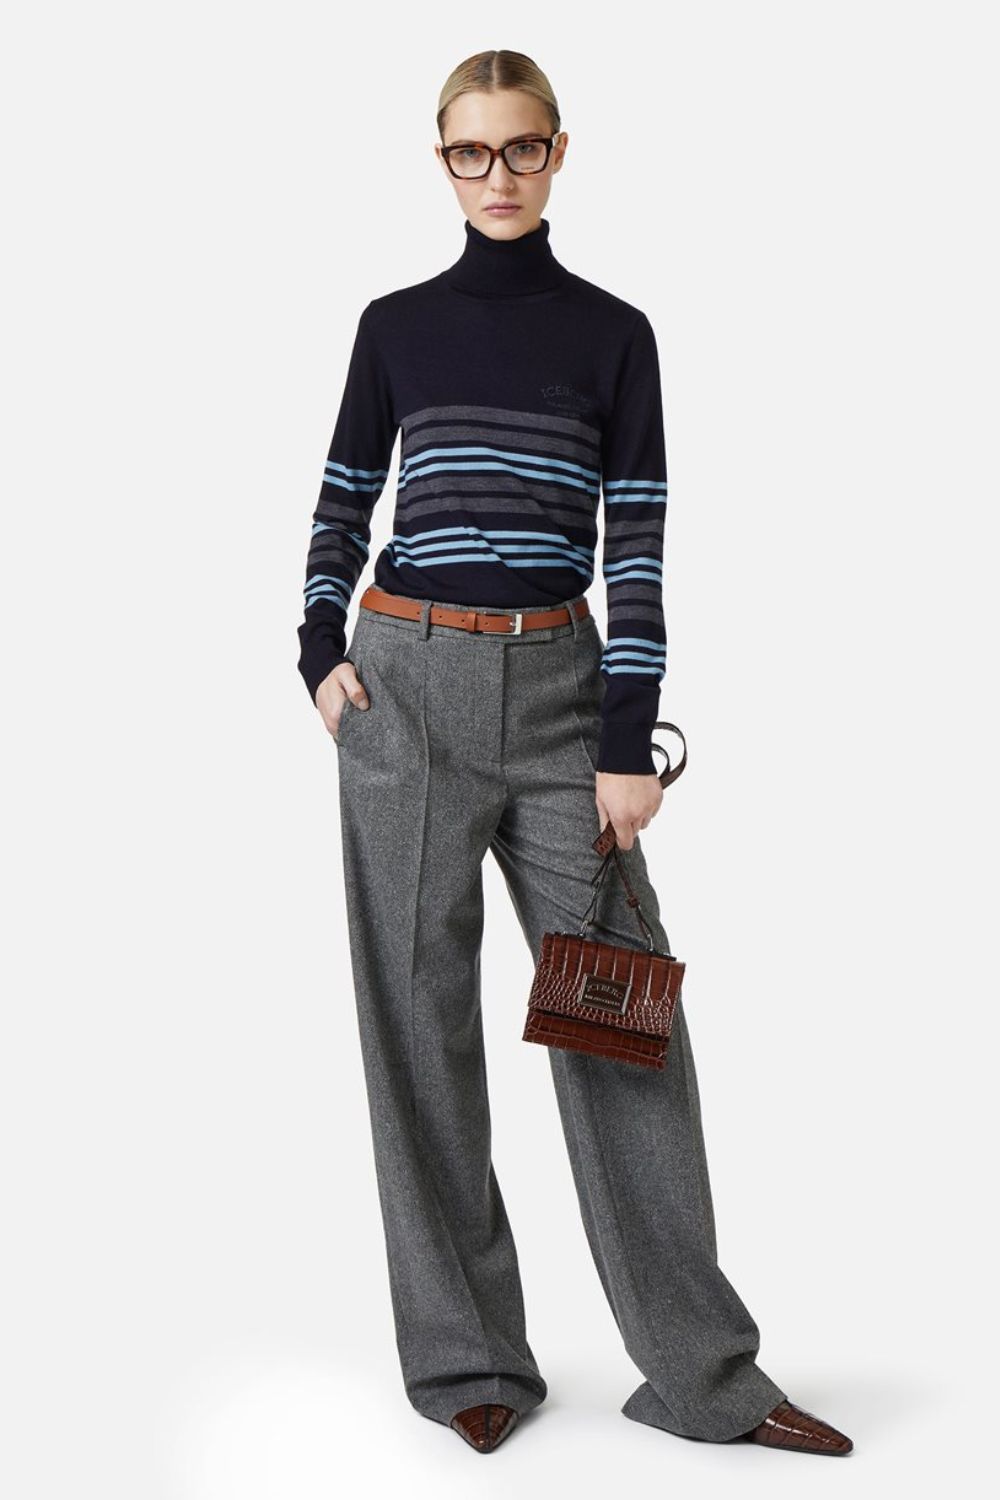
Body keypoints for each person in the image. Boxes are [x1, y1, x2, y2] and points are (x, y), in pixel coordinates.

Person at [295, 49, 853, 1459]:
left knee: (620, 1025)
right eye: (469, 153)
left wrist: (624, 736)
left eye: (522, 148)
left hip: (561, 693)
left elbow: (637, 542)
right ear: (441, 161)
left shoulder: (615, 334)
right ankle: (468, 1361)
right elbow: (343, 502)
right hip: (405, 688)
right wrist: (319, 655)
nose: (498, 176)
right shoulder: (393, 327)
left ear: (559, 151)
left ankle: (704, 1374)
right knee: (417, 1024)